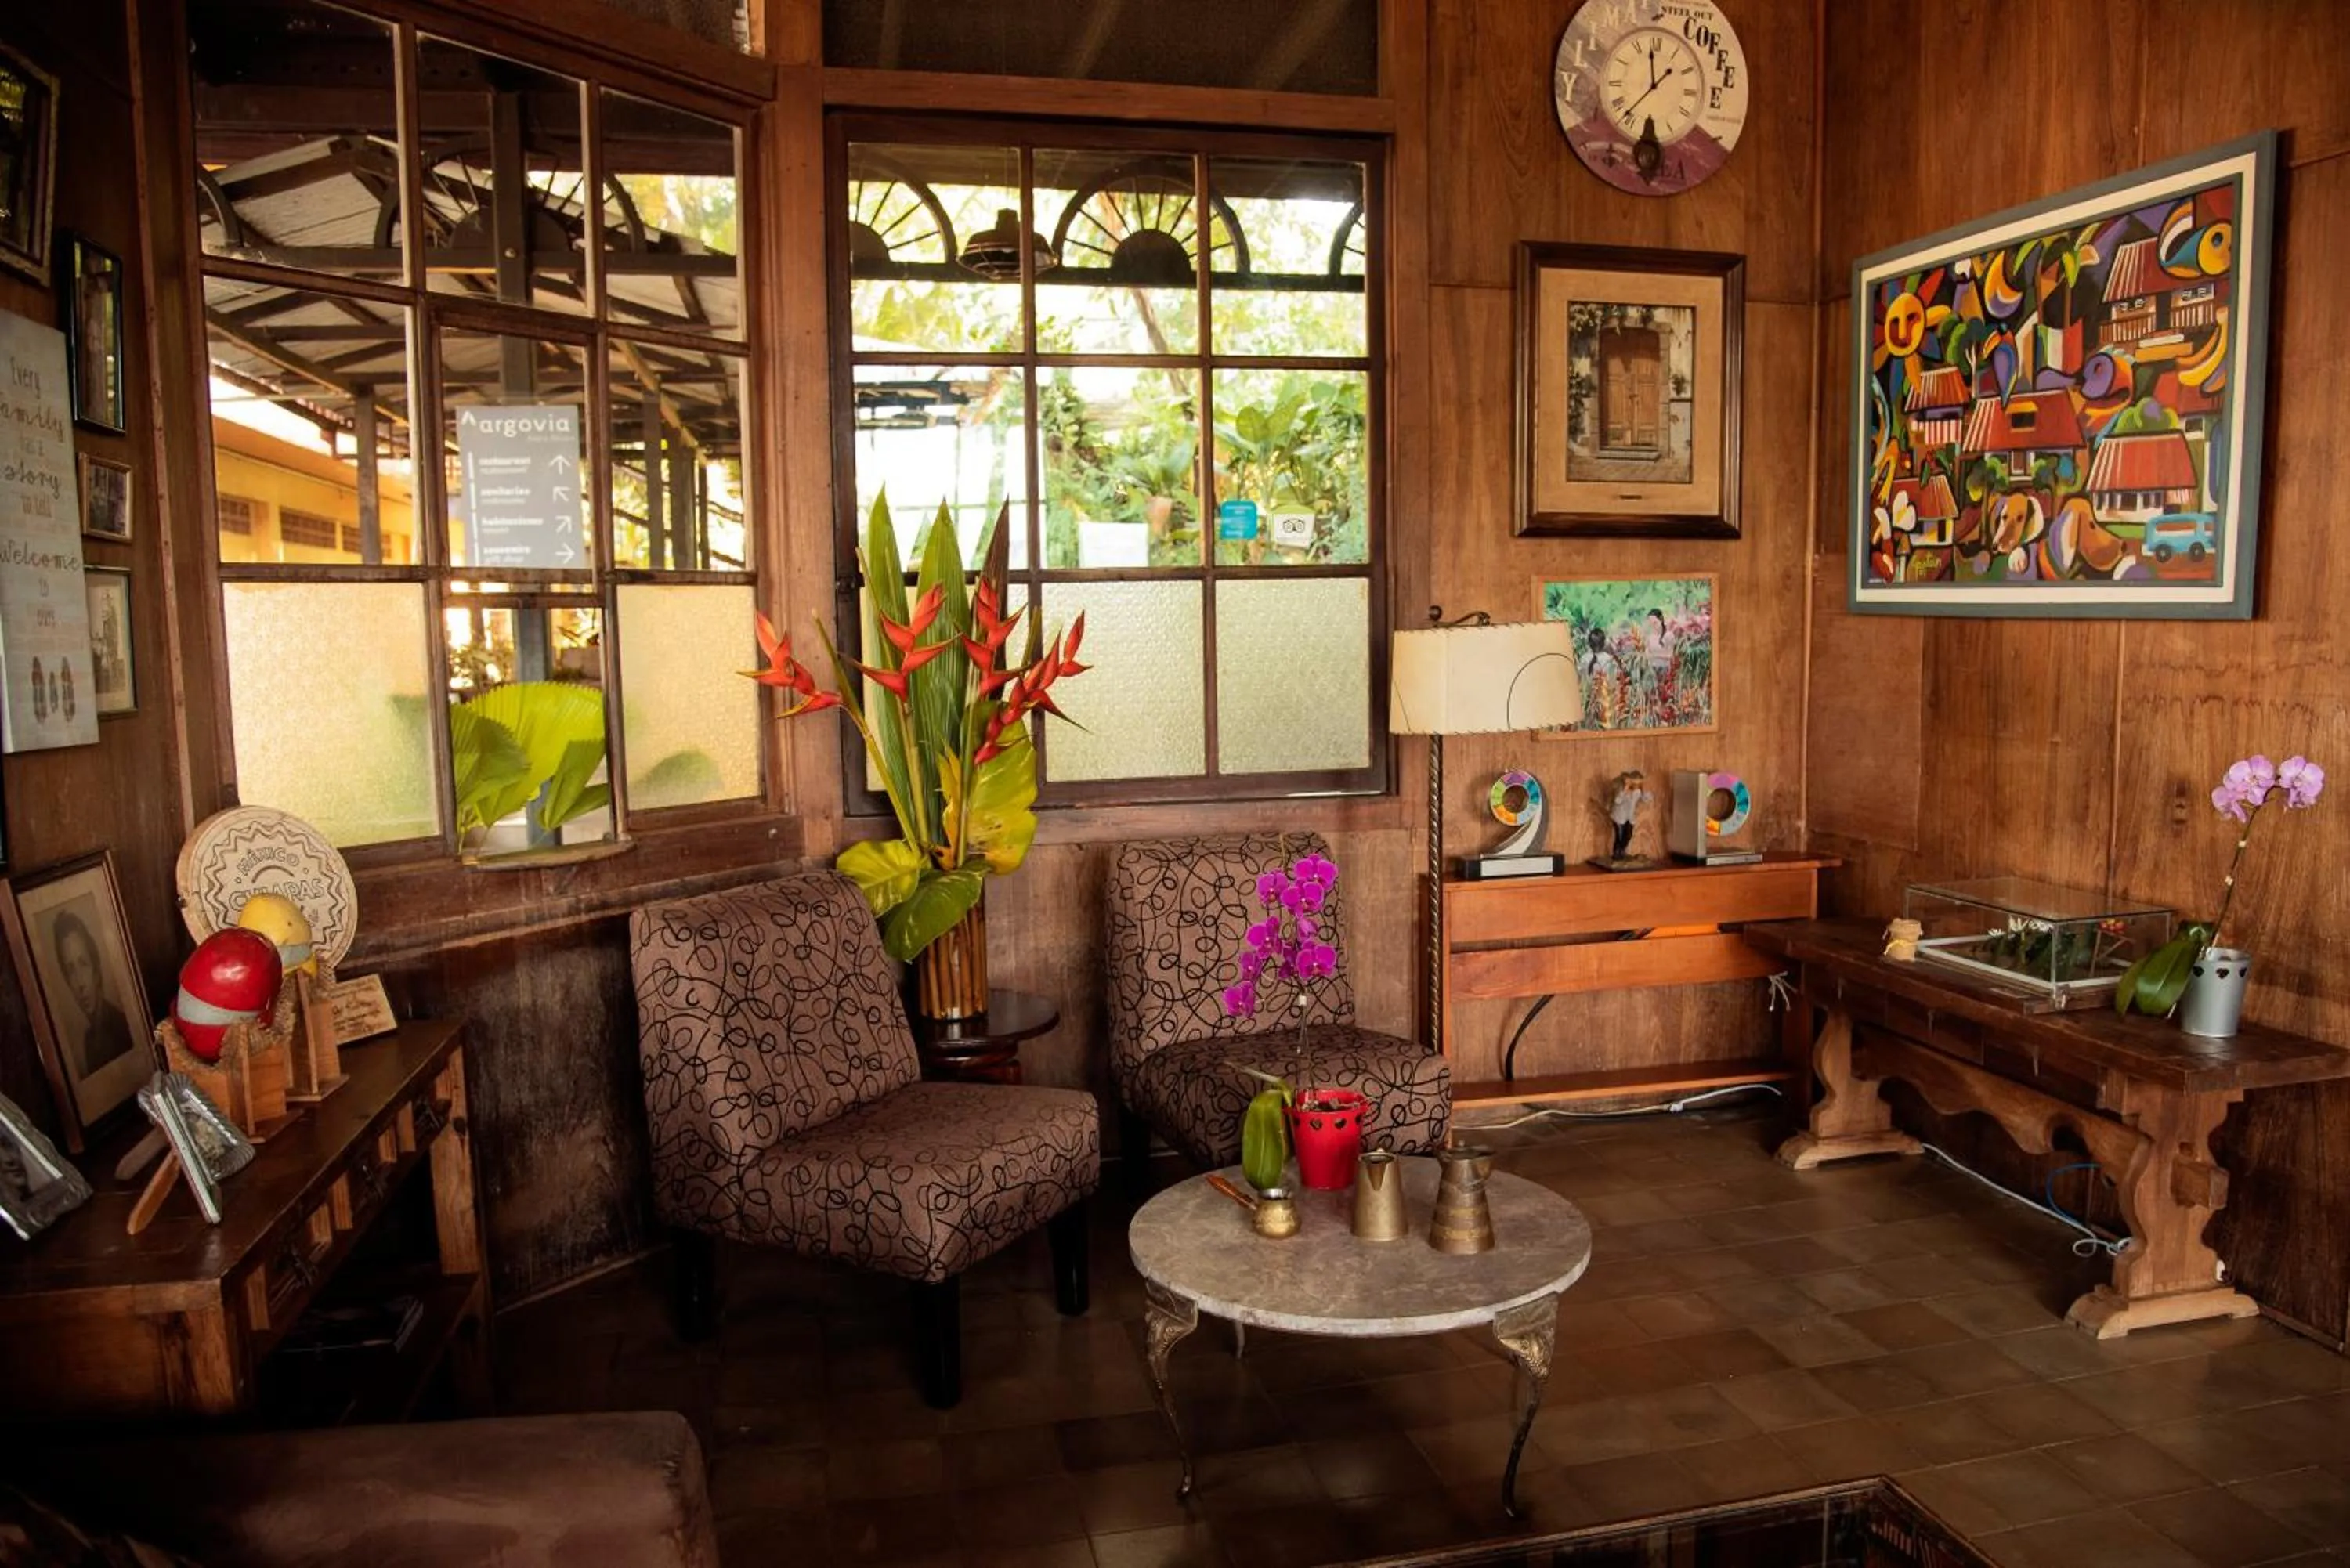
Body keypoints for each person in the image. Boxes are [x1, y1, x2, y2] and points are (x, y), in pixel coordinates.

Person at [52, 909, 133, 1078]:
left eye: (83, 964)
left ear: (96, 971)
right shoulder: (88, 1041)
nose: (80, 983)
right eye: (71, 970)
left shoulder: (122, 1029)